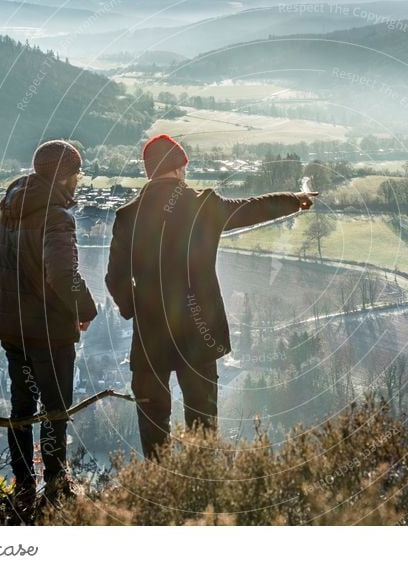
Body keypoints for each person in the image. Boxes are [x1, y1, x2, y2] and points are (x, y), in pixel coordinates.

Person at [106, 134, 317, 459]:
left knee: (153, 420)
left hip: (150, 335)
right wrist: (295, 199)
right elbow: (251, 209)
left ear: (150, 172)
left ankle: (159, 494)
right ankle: (200, 490)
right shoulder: (203, 205)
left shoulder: (127, 215)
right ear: (179, 169)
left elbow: (115, 278)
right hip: (198, 330)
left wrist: (135, 310)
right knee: (202, 420)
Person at [0, 140, 97, 508]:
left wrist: (14, 285)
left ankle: (23, 484)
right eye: (76, 173)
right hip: (50, 331)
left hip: (13, 328)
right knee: (56, 407)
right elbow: (62, 274)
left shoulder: (11, 203)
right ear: (64, 177)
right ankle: (56, 483)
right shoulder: (57, 215)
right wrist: (85, 309)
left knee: (22, 405)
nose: (78, 180)